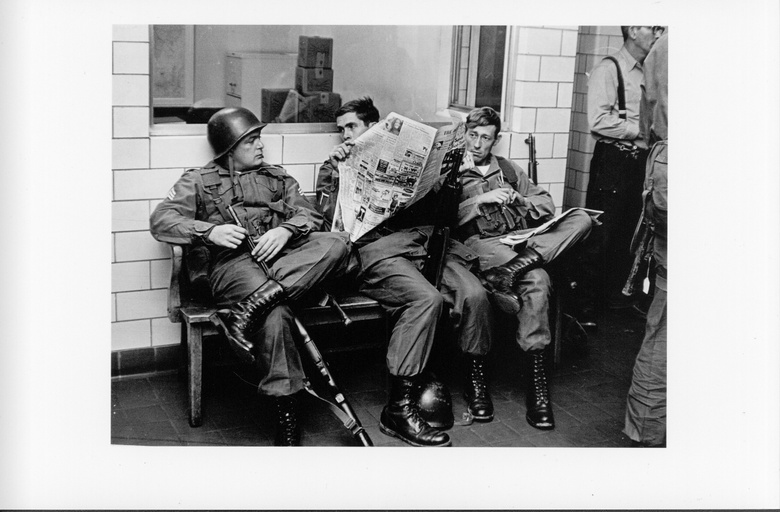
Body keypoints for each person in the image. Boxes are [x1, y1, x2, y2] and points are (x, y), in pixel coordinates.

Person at [150, 107, 350, 446]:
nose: (260, 146)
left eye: (260, 139)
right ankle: (286, 408)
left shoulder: (277, 177)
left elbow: (308, 214)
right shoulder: (197, 181)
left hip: (283, 261)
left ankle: (254, 307)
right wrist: (208, 232)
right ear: (230, 147)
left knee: (338, 242)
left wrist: (286, 231)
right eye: (252, 140)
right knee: (276, 313)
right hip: (233, 267)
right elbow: (161, 221)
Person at [316, 97, 495, 447]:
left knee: (474, 294)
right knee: (425, 300)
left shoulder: (403, 159)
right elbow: (329, 225)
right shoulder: (334, 164)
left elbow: (441, 213)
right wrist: (338, 172)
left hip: (425, 245)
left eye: (351, 127)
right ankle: (398, 409)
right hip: (379, 253)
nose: (345, 136)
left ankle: (476, 380)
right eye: (341, 130)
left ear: (374, 128)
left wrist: (446, 175)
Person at [454, 106, 593, 430]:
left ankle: (511, 272)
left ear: (496, 140)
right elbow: (441, 220)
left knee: (583, 219)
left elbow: (546, 204)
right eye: (472, 136)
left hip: (518, 241)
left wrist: (518, 199)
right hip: (481, 244)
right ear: (464, 135)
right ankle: (537, 384)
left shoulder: (507, 168)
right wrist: (479, 201)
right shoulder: (454, 171)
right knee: (539, 278)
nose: (477, 144)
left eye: (485, 138)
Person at [576, 26, 663, 327]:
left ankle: (614, 300)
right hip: (613, 160)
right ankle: (584, 306)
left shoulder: (648, 70)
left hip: (639, 162)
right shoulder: (608, 69)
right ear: (633, 31)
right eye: (653, 28)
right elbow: (598, 120)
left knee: (629, 233)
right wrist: (641, 131)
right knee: (602, 233)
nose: (659, 32)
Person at [624, 32, 668, 448]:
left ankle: (648, 427)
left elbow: (642, 126)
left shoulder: (661, 50)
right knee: (669, 319)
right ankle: (650, 430)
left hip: (663, 176)